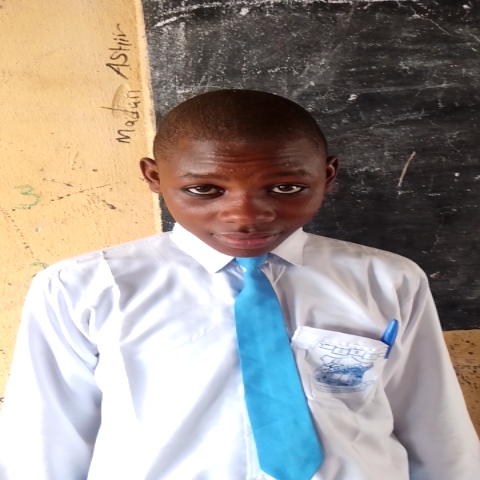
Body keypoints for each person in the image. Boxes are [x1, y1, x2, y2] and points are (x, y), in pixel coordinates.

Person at [0, 89, 478, 480]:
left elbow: (435, 429)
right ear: (154, 177)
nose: (246, 215)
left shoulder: (387, 280)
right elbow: (44, 446)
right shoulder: (82, 289)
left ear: (327, 176)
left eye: (286, 187)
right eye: (204, 190)